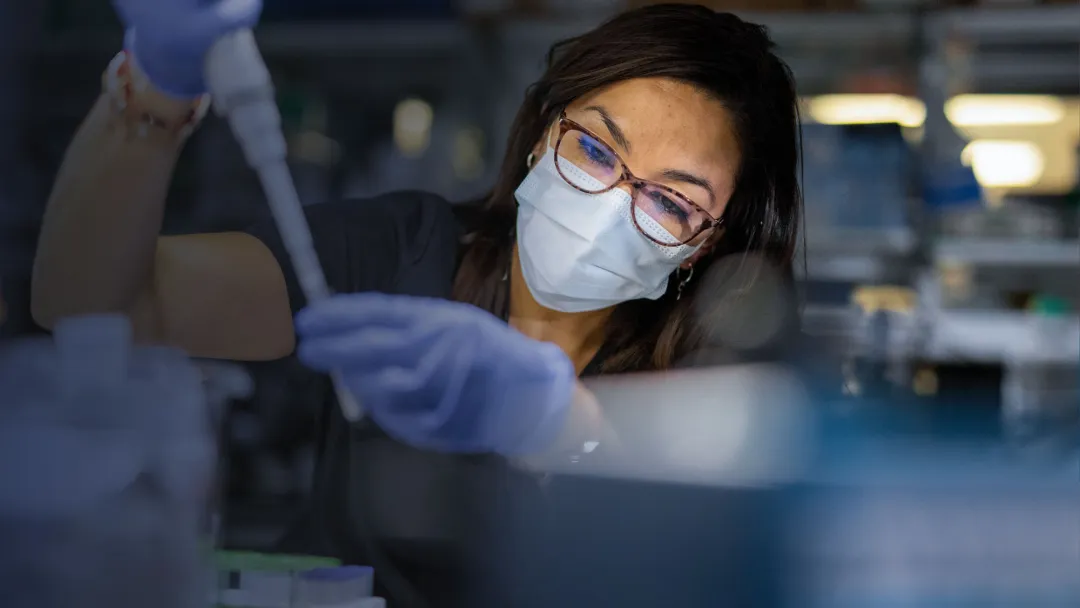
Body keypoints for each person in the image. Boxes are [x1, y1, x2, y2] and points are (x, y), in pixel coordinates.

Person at [32, 1, 803, 605]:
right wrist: (157, 86)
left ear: (703, 243)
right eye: (595, 150)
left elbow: (744, 560)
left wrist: (558, 421)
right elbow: (92, 303)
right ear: (541, 134)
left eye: (670, 200)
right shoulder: (404, 250)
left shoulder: (723, 354)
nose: (608, 204)